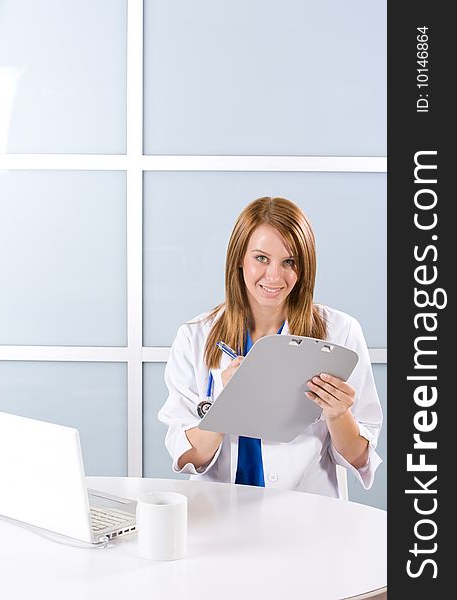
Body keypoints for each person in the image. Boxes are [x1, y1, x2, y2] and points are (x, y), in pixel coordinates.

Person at [158, 197, 382, 498]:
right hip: (219, 517)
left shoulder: (340, 333)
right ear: (239, 258)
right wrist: (227, 406)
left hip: (306, 519)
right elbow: (189, 458)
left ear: (303, 267)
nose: (274, 276)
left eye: (289, 262)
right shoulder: (195, 337)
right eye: (261, 258)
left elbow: (358, 458)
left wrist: (338, 414)